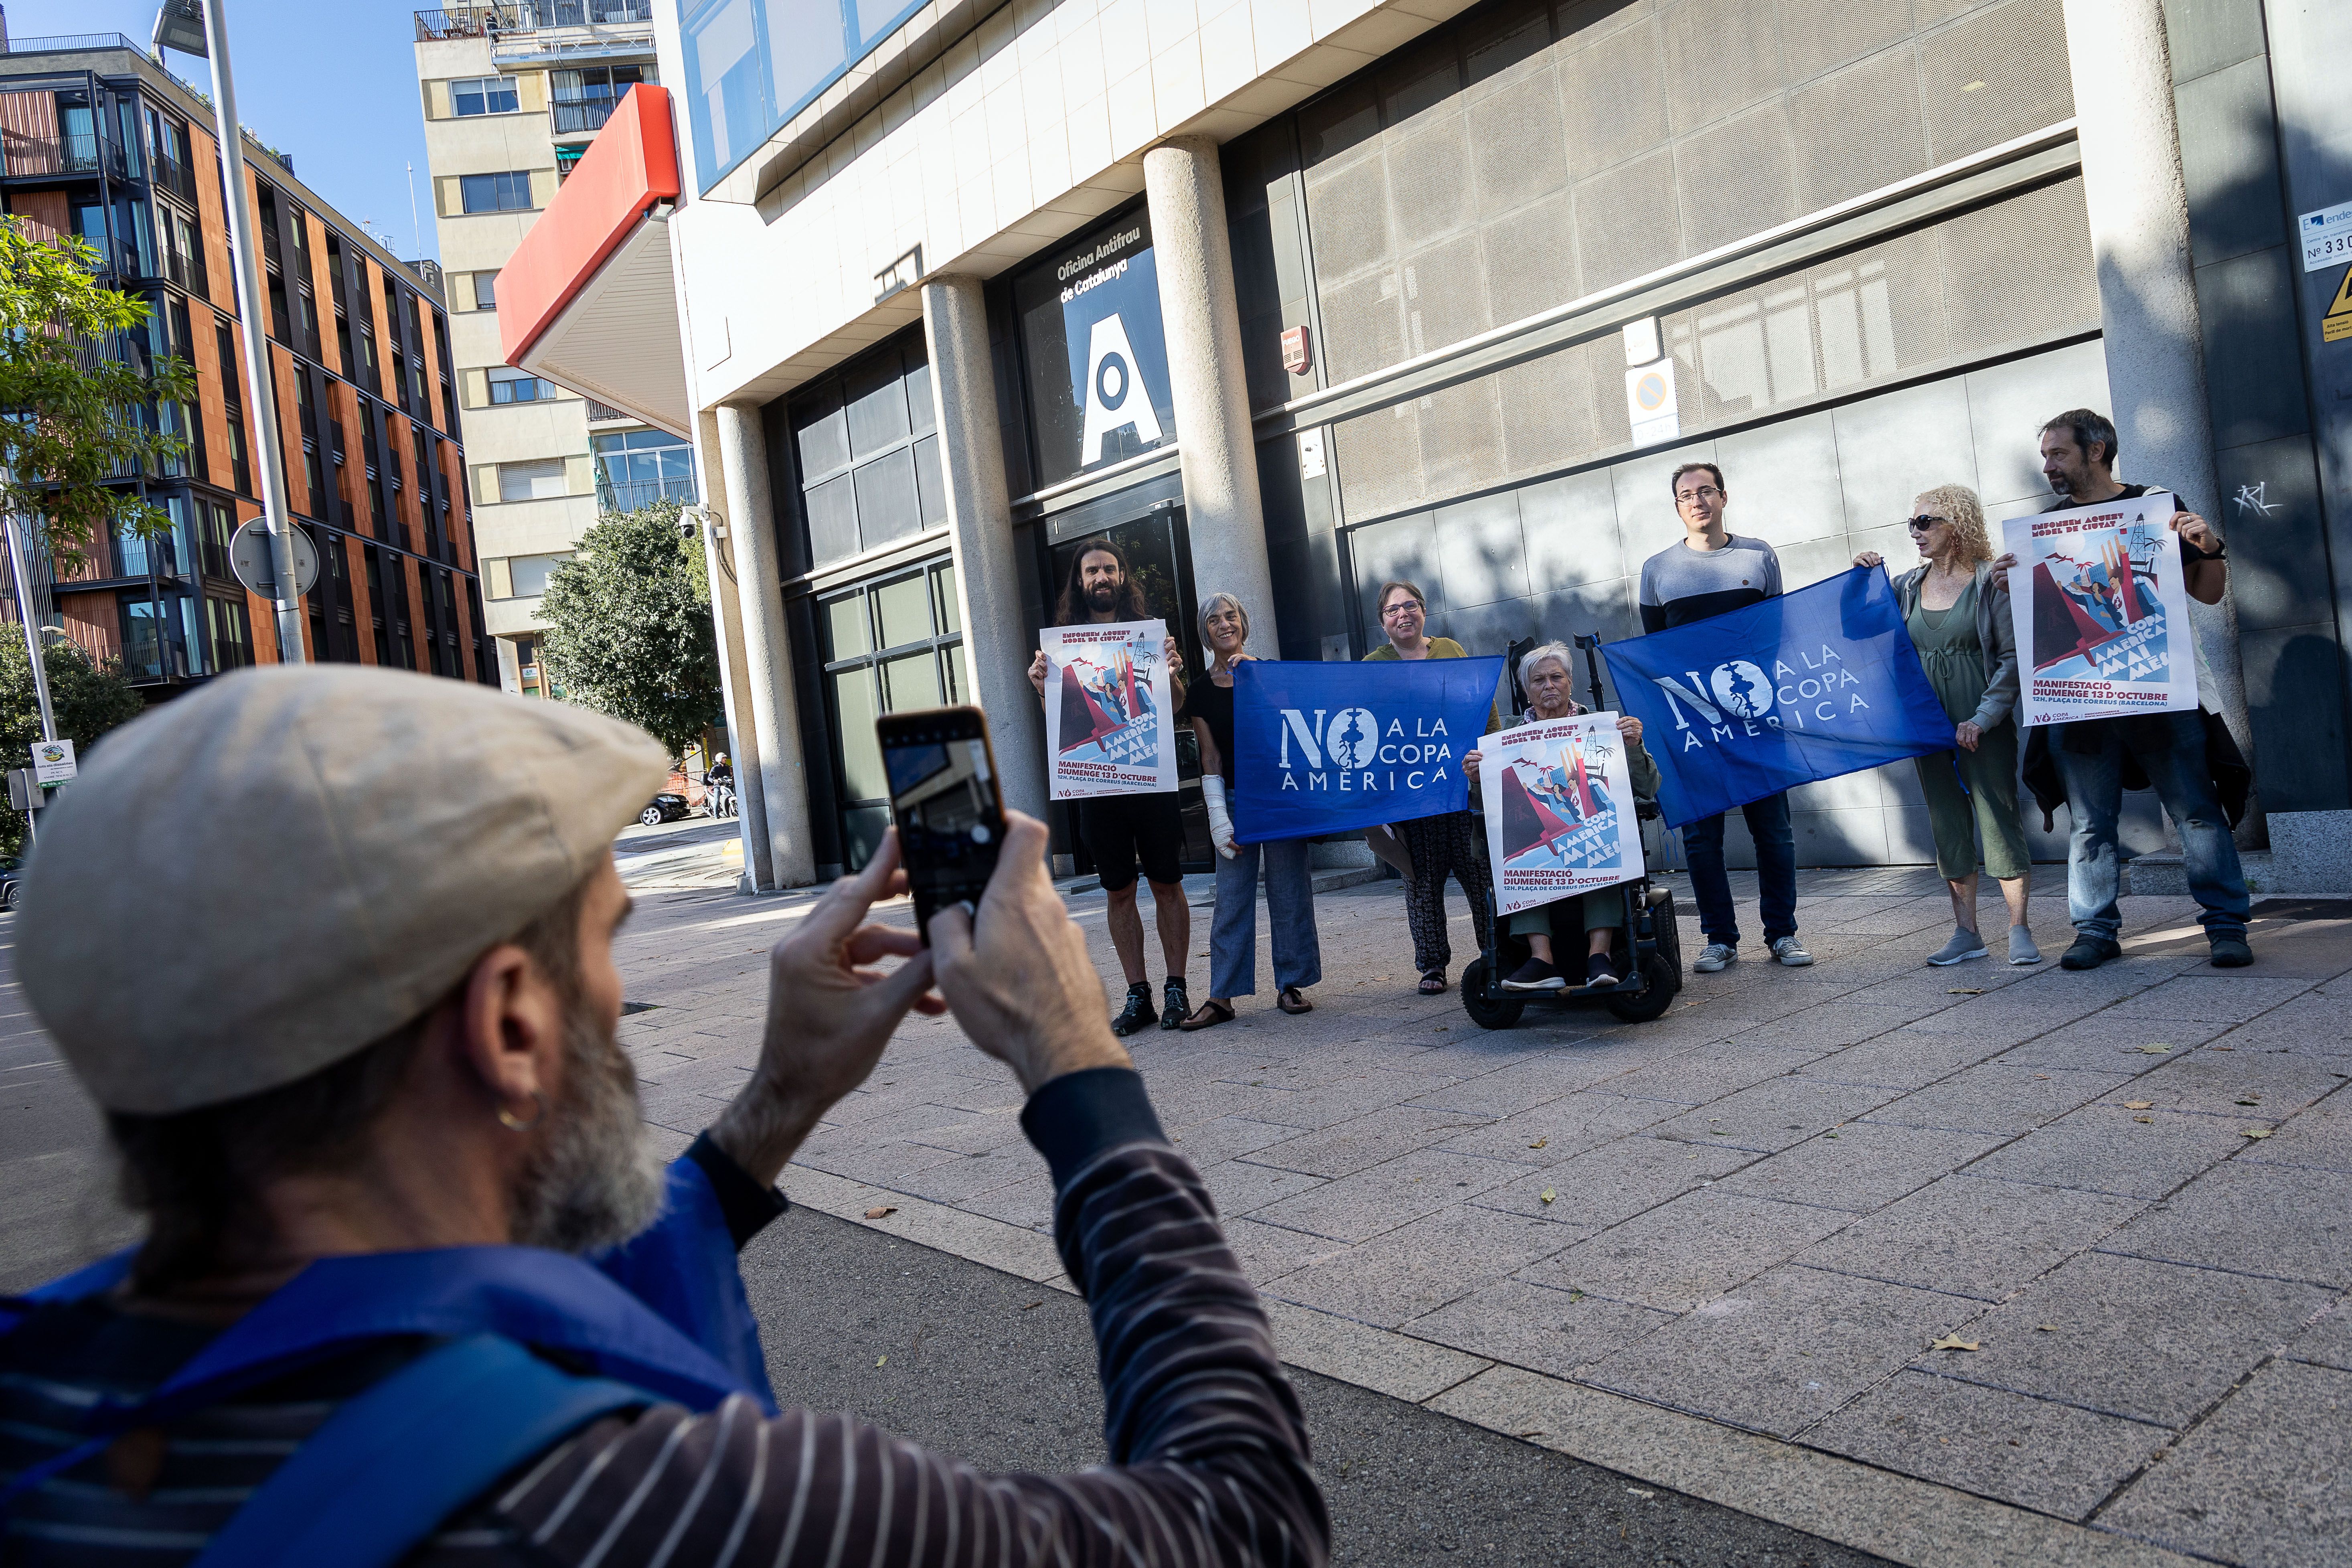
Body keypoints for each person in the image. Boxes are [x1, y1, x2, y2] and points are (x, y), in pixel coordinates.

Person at [2, 667, 1329, 1566]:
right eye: (606, 944)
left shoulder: (43, 1402)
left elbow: (477, 1307)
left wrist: (776, 1106)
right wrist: (1076, 1059)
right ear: (510, 1024)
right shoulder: (643, 1503)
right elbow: (1238, 1517)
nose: (617, 995)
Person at [1991, 408, 2251, 970]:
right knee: (2090, 821)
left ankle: (2226, 925)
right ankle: (2094, 928)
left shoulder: (2155, 506)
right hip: (2081, 703)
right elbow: (2044, 632)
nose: (2048, 466)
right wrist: (2009, 587)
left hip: (2162, 691)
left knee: (2196, 812)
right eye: (2044, 455)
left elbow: (2207, 593)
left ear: (2097, 449)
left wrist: (2207, 546)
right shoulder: (2045, 533)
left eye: (2058, 453)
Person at [1854, 484, 2038, 966]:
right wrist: (1862, 581)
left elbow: (2014, 660)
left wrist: (1982, 718)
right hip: (1928, 727)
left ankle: (2019, 928)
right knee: (1947, 824)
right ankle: (1967, 933)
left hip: (1982, 723)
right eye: (1912, 523)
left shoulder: (1987, 583)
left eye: (1925, 522)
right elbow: (1858, 629)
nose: (1915, 532)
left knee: (1999, 820)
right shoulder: (1907, 586)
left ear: (1956, 525)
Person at [1639, 462, 1813, 973]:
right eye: (1686, 495)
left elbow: (1776, 633)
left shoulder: (1759, 556)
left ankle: (1783, 934)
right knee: (1701, 838)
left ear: (1723, 497)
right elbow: (1656, 651)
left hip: (1757, 720)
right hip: (1694, 728)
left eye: (1706, 491)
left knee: (1774, 833)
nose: (1697, 501)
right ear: (1678, 506)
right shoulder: (1657, 570)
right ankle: (1720, 938)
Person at [1028, 537, 1193, 1033]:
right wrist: (1042, 688)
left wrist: (1173, 674)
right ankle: (1139, 994)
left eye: (1110, 569)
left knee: (1167, 883)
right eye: (1092, 572)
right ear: (1080, 583)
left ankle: (1177, 989)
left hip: (1150, 777)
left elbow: (1177, 705)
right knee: (1119, 890)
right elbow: (1062, 721)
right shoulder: (1062, 645)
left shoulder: (1149, 637)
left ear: (1123, 576)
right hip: (1098, 786)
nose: (1101, 578)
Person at [1463, 642, 1660, 989]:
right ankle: (1541, 960)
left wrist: (1632, 747)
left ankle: (1598, 956)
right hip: (1538, 830)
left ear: (1570, 682)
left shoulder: (1602, 728)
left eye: (1556, 677)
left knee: (1602, 850)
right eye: (1538, 680)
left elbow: (1646, 788)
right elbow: (1490, 806)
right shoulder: (1503, 740)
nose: (1548, 686)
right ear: (1527, 691)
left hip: (1587, 826)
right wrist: (1478, 780)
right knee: (1517, 860)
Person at [1176, 592, 1320, 1028]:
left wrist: (1255, 678)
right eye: (1215, 620)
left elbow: (1294, 733)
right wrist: (1219, 816)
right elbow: (1211, 757)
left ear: (1243, 624)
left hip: (1279, 796)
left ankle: (1291, 984)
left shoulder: (1270, 675)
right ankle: (1222, 996)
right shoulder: (1199, 691)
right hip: (1235, 800)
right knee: (1232, 898)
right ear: (1206, 632)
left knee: (1289, 889)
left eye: (1231, 616)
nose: (1225, 624)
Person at [1365, 579, 1504, 995]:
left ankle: (1496, 952)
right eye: (1393, 610)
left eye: (1410, 606)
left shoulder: (1450, 650)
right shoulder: (1372, 665)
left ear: (1424, 611)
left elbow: (1484, 706)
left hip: (1461, 791)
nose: (1403, 615)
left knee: (1480, 874)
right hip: (1411, 797)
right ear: (1382, 622)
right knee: (1422, 883)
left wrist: (1495, 754)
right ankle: (1432, 966)